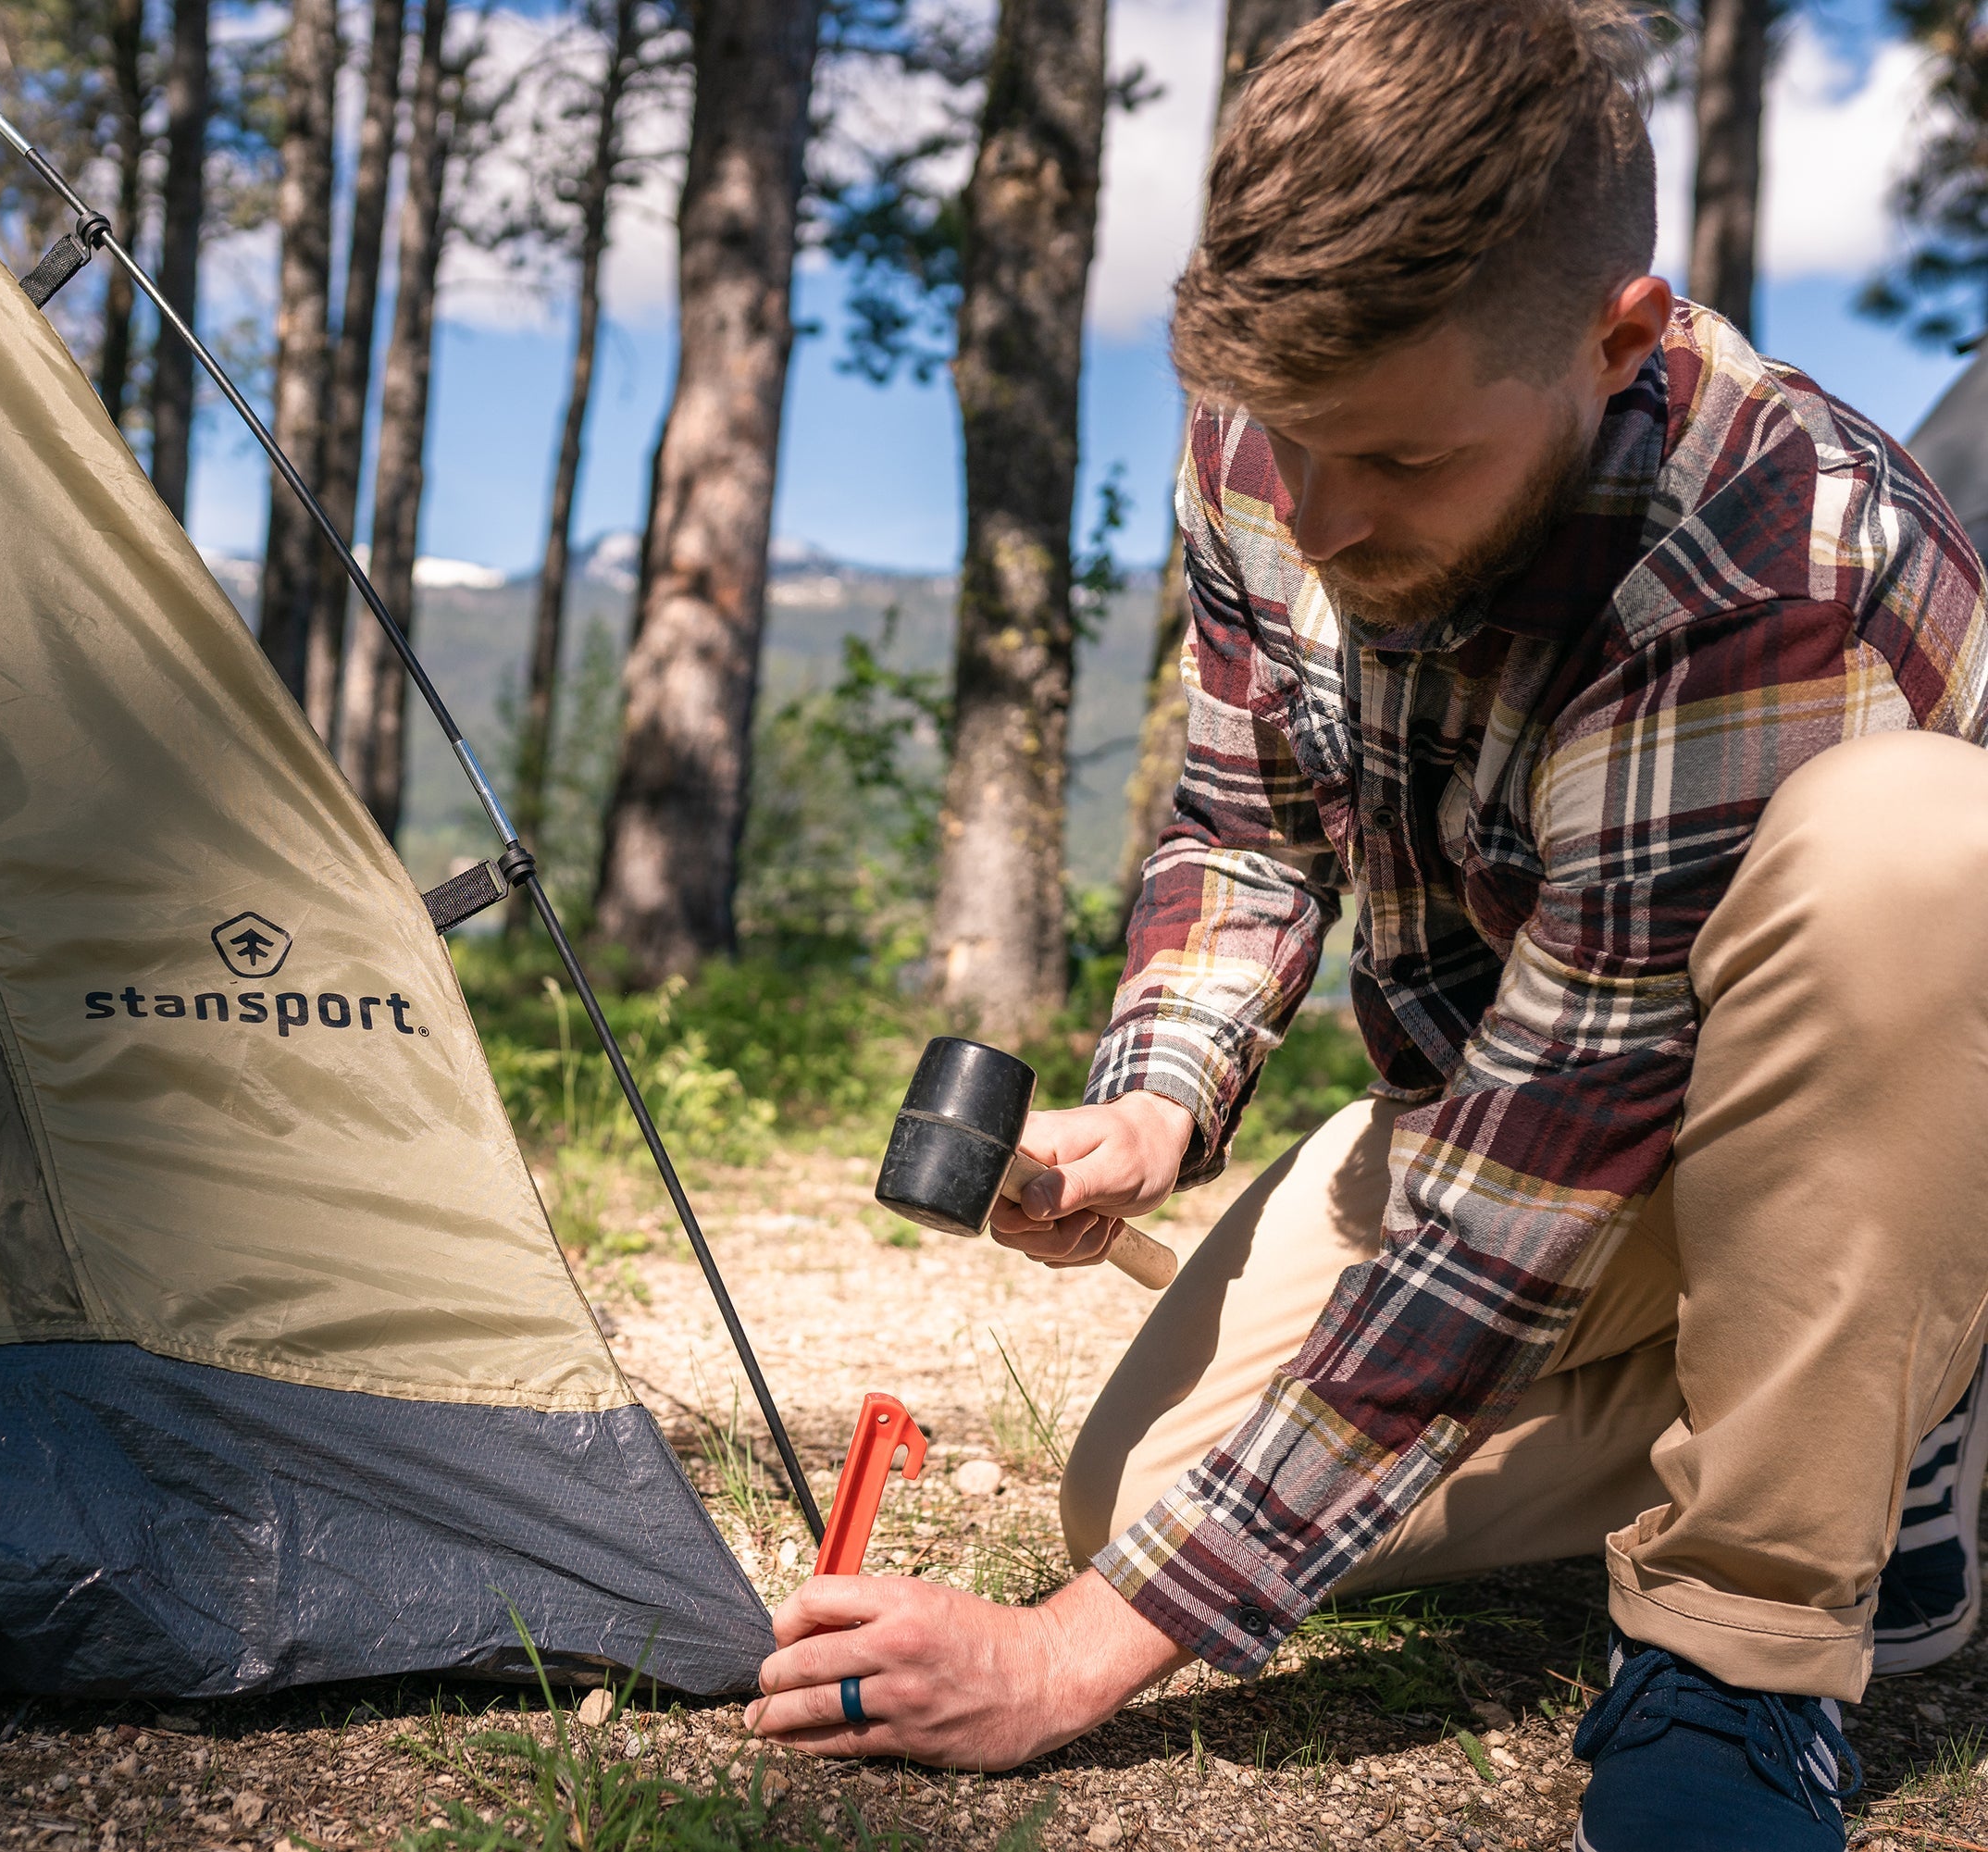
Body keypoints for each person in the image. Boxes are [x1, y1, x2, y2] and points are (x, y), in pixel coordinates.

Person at [742, 1, 1988, 1845]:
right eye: (1286, 441)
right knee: (1141, 1502)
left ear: (1614, 336)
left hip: (1832, 1114)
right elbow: (1242, 826)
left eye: (1399, 466)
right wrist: (1158, 1105)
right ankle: (1871, 1420)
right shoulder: (1291, 422)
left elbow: (1523, 1198)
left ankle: (1752, 1636)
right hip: (1530, 1119)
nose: (1316, 516)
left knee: (1916, 849)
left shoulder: (1767, 560)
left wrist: (1059, 1663)